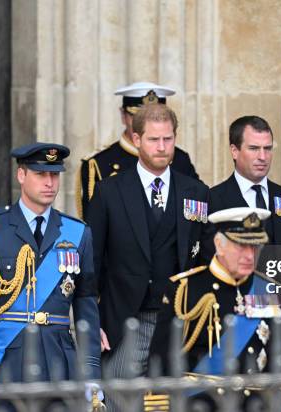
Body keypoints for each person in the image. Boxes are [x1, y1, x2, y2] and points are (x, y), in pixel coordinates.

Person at [0, 143, 102, 407]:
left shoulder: (77, 232)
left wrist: (92, 373)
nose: (49, 182)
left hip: (60, 362)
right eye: (40, 174)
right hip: (5, 361)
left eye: (55, 175)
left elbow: (86, 305)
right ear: (21, 175)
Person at [85, 103, 209, 408]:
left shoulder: (196, 192)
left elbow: (205, 261)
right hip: (125, 320)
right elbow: (91, 263)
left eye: (168, 139)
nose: (162, 147)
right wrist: (93, 321)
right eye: (154, 139)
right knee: (118, 402)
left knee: (172, 404)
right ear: (136, 139)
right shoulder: (109, 192)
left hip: (179, 321)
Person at [146, 207, 281, 412]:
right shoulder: (186, 289)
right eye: (241, 247)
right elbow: (161, 364)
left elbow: (280, 359)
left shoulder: (266, 289)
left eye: (255, 247)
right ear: (219, 244)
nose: (249, 255)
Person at [209, 115, 281, 348]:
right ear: (234, 150)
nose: (262, 157)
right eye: (253, 148)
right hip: (235, 323)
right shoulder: (213, 200)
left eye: (268, 149)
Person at [76, 81, 199, 219]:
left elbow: (196, 216)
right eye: (138, 116)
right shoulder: (99, 164)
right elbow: (94, 227)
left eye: (155, 117)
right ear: (123, 115)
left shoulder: (180, 159)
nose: (145, 123)